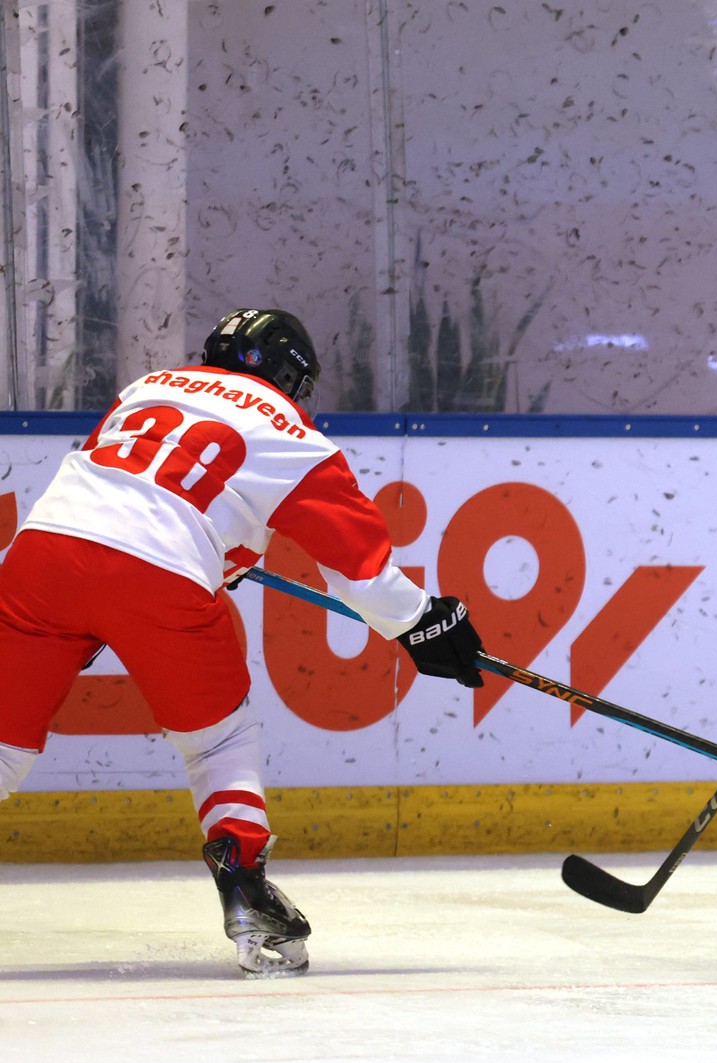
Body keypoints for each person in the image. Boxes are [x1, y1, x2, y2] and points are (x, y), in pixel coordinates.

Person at [0, 308, 485, 977]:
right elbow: (364, 575)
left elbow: (115, 485)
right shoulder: (292, 433)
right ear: (291, 376)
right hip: (161, 574)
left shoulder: (147, 387)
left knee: (4, 744)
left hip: (39, 556)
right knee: (218, 741)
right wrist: (425, 621)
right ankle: (246, 889)